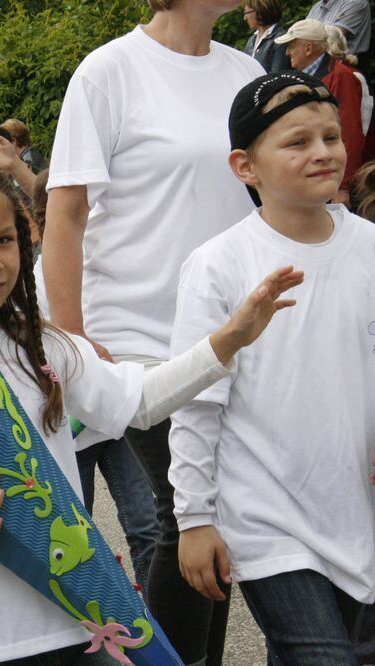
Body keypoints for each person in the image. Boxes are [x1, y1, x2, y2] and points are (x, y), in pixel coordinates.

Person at [0, 151, 301, 666]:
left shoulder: (44, 346)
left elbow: (140, 401)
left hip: (79, 619)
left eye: (4, 240)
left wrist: (228, 340)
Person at [42, 2, 264, 662]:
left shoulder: (246, 71)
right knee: (184, 513)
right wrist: (71, 338)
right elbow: (66, 212)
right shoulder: (108, 71)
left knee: (217, 517)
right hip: (138, 338)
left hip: (231, 334)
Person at [171, 72, 375, 663]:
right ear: (245, 166)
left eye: (331, 137)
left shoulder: (369, 246)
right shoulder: (218, 265)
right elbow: (195, 400)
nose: (323, 152)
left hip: (355, 511)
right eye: (297, 142)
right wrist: (194, 517)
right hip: (267, 519)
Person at [279, 20, 367, 201]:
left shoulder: (340, 76)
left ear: (308, 48)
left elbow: (350, 132)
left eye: (291, 46)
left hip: (333, 182)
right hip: (318, 174)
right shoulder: (306, 76)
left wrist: (342, 187)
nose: (287, 52)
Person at [306, 0, 371, 61]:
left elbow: (332, 39)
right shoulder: (317, 6)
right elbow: (303, 33)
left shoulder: (356, 2)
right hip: (317, 61)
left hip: (345, 64)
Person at [241, 0, 291, 72]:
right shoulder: (251, 40)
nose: (245, 18)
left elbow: (276, 74)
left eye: (247, 13)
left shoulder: (280, 40)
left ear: (260, 12)